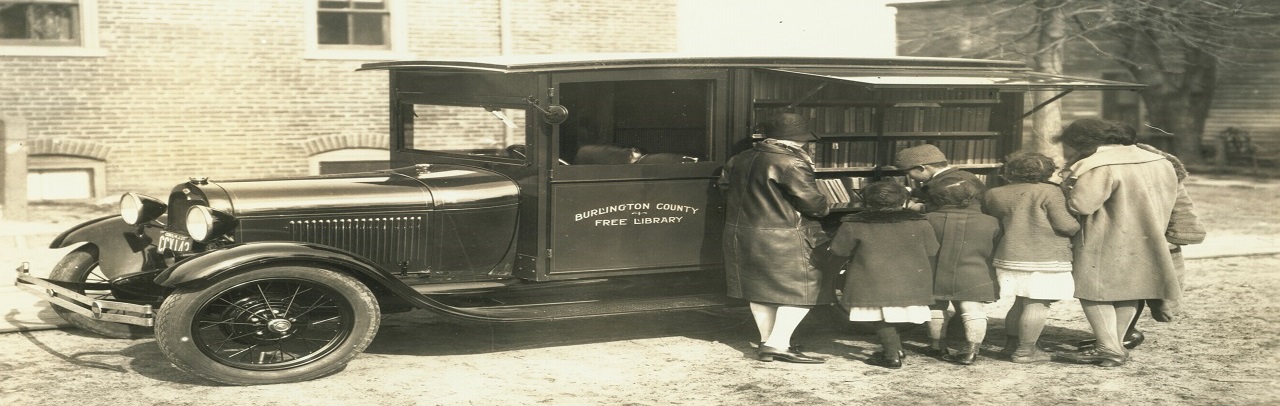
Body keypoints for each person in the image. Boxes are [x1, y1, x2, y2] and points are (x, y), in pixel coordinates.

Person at [1053, 118, 1179, 367]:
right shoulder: (1160, 161)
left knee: (1093, 292)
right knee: (1130, 289)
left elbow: (1082, 205)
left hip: (1106, 236)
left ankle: (1109, 348)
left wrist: (1064, 188)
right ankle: (1114, 344)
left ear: (1086, 144)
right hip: (1149, 234)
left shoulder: (1100, 164)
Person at [719, 112, 831, 364]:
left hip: (742, 233)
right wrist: (825, 206)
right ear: (800, 141)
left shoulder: (740, 158)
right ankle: (778, 344)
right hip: (784, 236)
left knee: (759, 289)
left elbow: (725, 189)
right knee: (805, 289)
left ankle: (768, 341)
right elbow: (813, 204)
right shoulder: (792, 162)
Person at [1077, 141, 1206, 350]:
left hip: (1149, 239)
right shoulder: (1144, 165)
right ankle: (1116, 336)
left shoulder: (1155, 169)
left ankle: (1125, 333)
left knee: (1131, 288)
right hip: (1130, 237)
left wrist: (1170, 237)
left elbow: (1183, 213)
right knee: (1126, 286)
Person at [827, 180, 940, 369]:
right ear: (904, 201)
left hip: (871, 279)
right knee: (891, 314)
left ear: (867, 203)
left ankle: (891, 356)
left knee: (879, 316)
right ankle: (895, 349)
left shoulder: (854, 224)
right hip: (910, 279)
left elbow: (839, 251)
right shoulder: (920, 222)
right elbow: (932, 250)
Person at [983, 152, 1080, 364]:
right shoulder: (1050, 191)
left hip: (1008, 255)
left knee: (1020, 302)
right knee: (1038, 302)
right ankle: (1026, 351)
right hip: (1045, 256)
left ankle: (1012, 345)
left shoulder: (993, 193)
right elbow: (1066, 225)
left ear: (1010, 171)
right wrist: (1078, 225)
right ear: (1047, 171)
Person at [923, 177, 1002, 365]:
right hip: (974, 273)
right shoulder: (991, 222)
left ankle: (936, 346)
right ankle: (971, 351)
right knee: (973, 309)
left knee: (935, 307)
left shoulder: (927, 219)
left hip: (934, 272)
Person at [895, 144, 987, 213]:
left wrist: (913, 206)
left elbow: (938, 209)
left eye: (907, 172)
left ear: (921, 168)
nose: (909, 176)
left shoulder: (943, 185)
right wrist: (913, 191)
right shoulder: (964, 175)